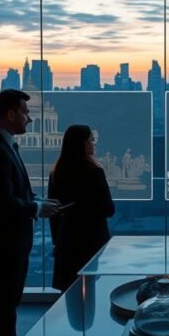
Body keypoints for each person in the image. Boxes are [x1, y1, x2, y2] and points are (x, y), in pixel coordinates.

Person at [0, 89, 60, 336]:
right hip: (5, 241)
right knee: (2, 303)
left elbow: (11, 193)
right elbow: (4, 203)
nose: (30, 119)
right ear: (10, 114)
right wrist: (36, 208)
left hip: (7, 240)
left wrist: (37, 200)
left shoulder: (0, 145)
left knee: (3, 302)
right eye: (25, 112)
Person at [48, 125, 116, 292]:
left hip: (67, 240)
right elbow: (108, 209)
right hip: (91, 241)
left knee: (70, 296)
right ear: (83, 144)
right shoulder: (94, 172)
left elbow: (53, 211)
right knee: (91, 293)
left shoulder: (56, 172)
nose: (94, 143)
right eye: (91, 140)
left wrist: (58, 242)